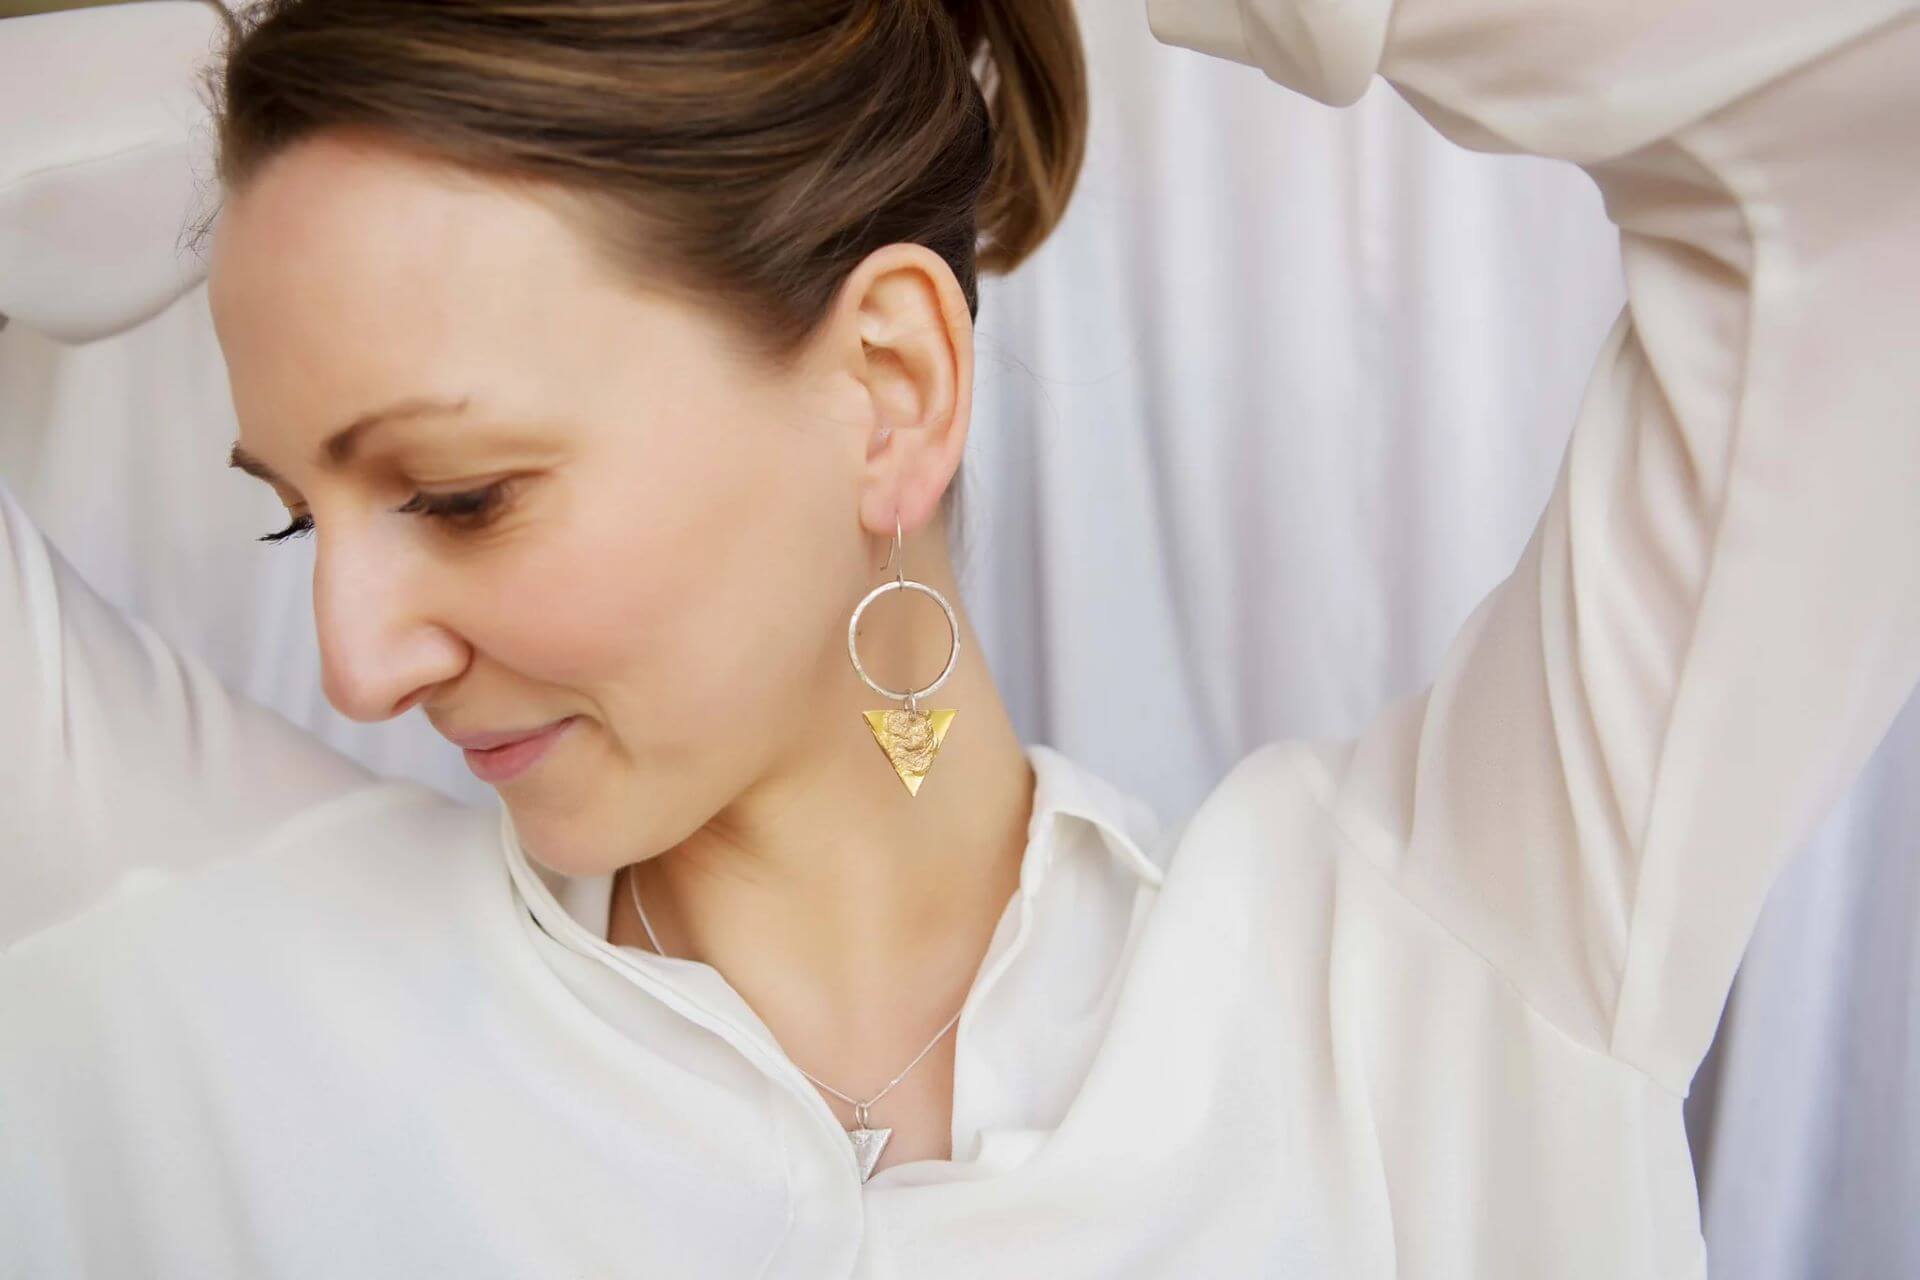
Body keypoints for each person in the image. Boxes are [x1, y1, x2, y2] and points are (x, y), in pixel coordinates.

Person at [2, 0, 1915, 1273]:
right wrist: (197, 75)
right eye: (294, 513)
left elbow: (1865, 153)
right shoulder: (174, 946)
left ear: (894, 387)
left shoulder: (1445, 982)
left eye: (457, 493)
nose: (353, 661)